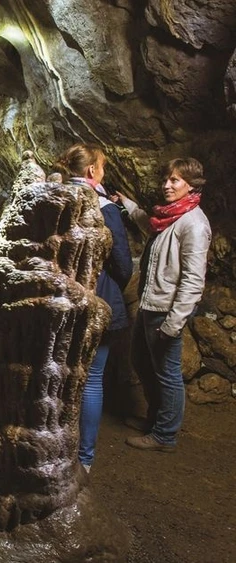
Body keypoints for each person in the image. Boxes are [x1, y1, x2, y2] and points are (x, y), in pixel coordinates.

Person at [118, 157, 211, 453]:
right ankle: (155, 420)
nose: (166, 185)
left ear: (191, 186)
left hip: (165, 312)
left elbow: (194, 282)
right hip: (150, 304)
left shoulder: (194, 225)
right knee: (142, 362)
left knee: (167, 373)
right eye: (166, 179)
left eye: (175, 180)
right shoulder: (168, 217)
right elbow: (149, 225)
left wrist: (174, 323)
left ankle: (165, 435)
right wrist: (128, 204)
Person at [54, 143, 133, 473]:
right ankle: (83, 459)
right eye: (101, 167)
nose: (103, 172)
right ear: (91, 171)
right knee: (92, 379)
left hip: (58, 301)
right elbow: (123, 265)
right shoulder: (104, 208)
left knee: (57, 374)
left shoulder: (53, 198)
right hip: (95, 300)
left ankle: (53, 448)